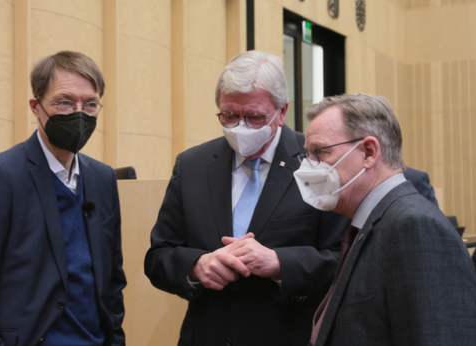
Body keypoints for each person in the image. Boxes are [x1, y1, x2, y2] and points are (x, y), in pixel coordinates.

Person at [144, 50, 349, 346]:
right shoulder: (192, 166)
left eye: (254, 117)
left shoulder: (318, 162)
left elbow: (342, 262)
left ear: (282, 112)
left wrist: (280, 262)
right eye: (228, 115)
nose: (240, 127)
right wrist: (196, 266)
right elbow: (158, 257)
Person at [0, 51, 127, 346]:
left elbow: (112, 283)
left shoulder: (102, 178)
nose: (79, 113)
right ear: (36, 106)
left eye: (90, 104)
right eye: (65, 101)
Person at [294, 93, 476, 345]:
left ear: (369, 152)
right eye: (307, 155)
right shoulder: (372, 223)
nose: (309, 168)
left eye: (320, 152)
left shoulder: (415, 227)